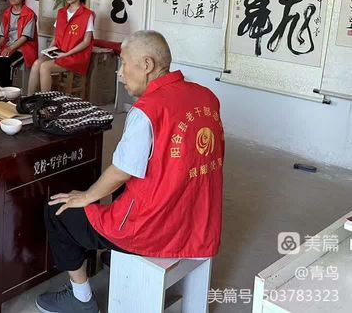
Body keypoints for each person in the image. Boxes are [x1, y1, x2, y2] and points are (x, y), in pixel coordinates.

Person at [35, 31, 224, 313]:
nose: (120, 73)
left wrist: (85, 196)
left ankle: (81, 298)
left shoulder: (147, 110)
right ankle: (113, 256)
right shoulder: (207, 97)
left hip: (157, 229)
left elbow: (122, 171)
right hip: (199, 221)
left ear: (147, 64)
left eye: (124, 63)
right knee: (119, 187)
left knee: (58, 210)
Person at [28, 0, 94, 95]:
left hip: (75, 56)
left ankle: (44, 102)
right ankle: (28, 98)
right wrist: (48, 51)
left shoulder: (87, 15)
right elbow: (56, 37)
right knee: (37, 63)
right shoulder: (61, 12)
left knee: (45, 67)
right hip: (59, 52)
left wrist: (66, 54)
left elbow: (86, 42)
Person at [0, 0, 38, 87]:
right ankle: (4, 87)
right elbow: (3, 34)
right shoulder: (7, 13)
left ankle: (7, 89)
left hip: (24, 48)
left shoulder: (29, 14)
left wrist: (10, 48)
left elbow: (24, 37)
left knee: (6, 64)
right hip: (9, 46)